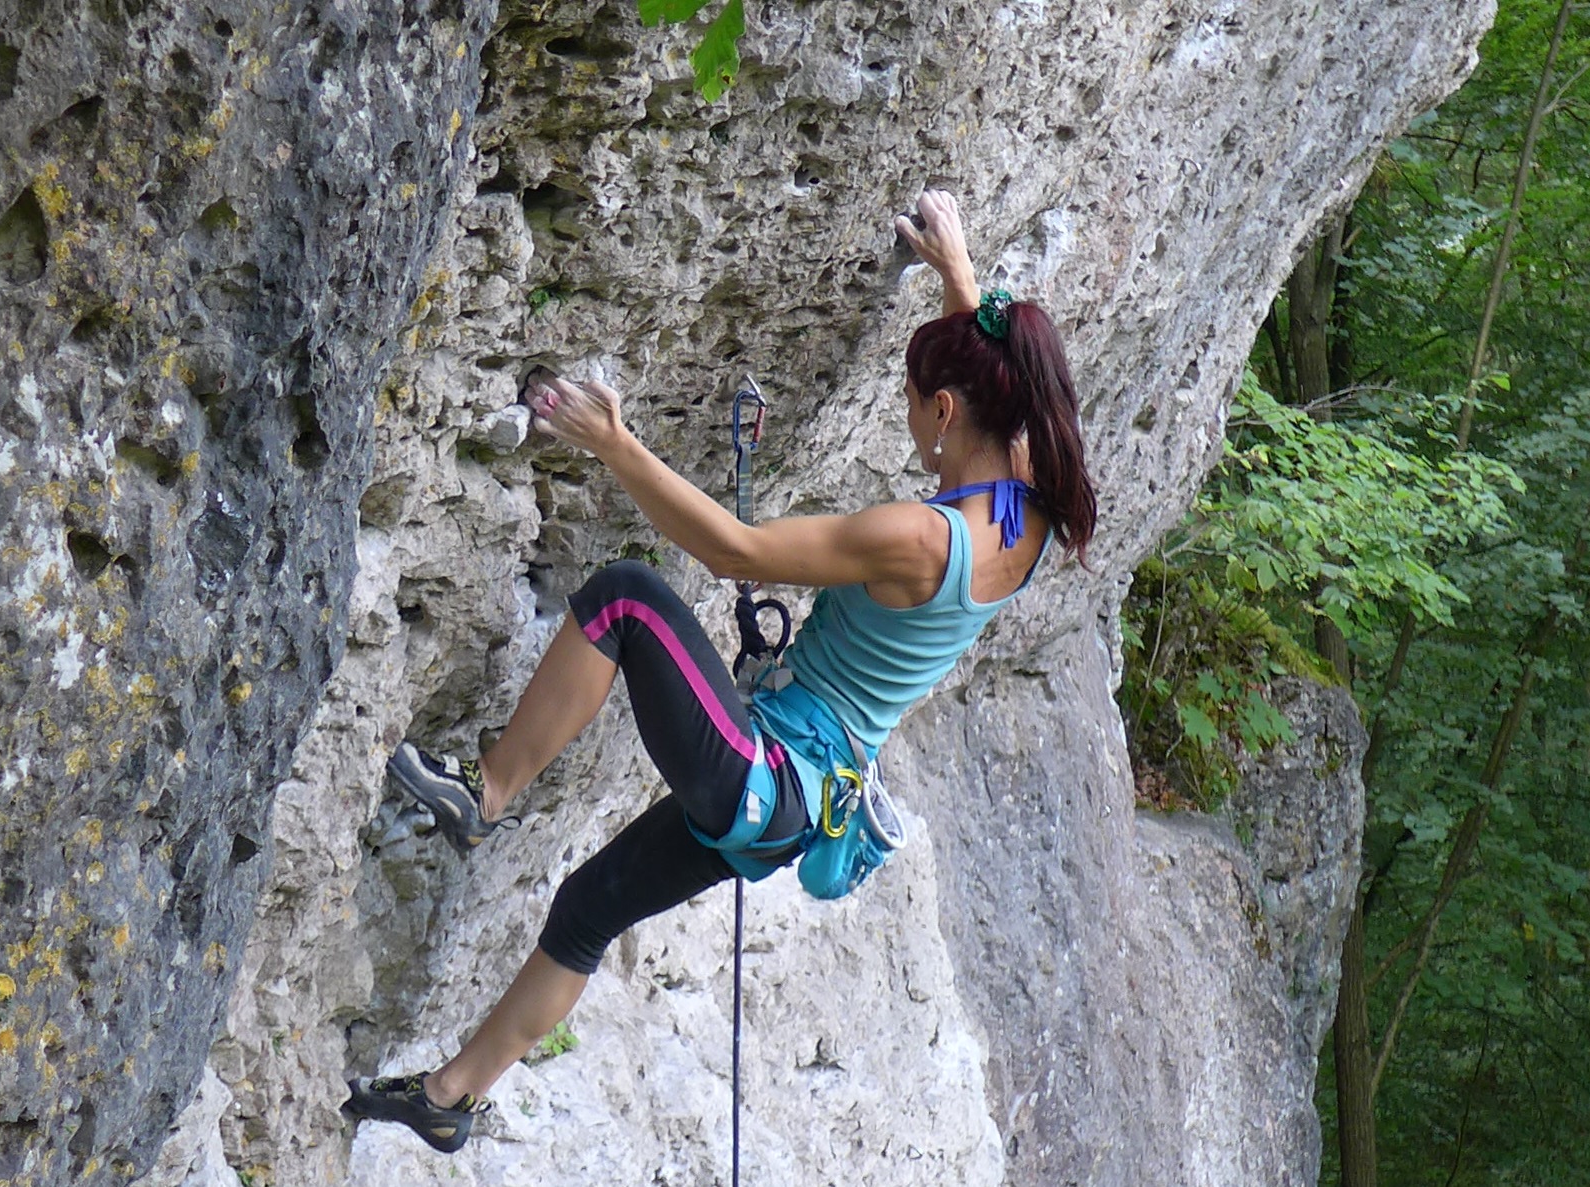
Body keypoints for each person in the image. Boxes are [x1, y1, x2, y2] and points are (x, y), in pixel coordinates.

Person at [341, 189, 1099, 1153]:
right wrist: (960, 280)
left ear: (946, 411)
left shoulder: (917, 536)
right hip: (797, 802)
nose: (912, 424)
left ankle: (483, 795)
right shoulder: (1024, 515)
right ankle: (449, 1097)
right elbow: (1003, 389)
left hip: (766, 770)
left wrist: (617, 444)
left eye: (915, 407)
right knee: (589, 905)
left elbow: (737, 552)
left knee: (625, 597)